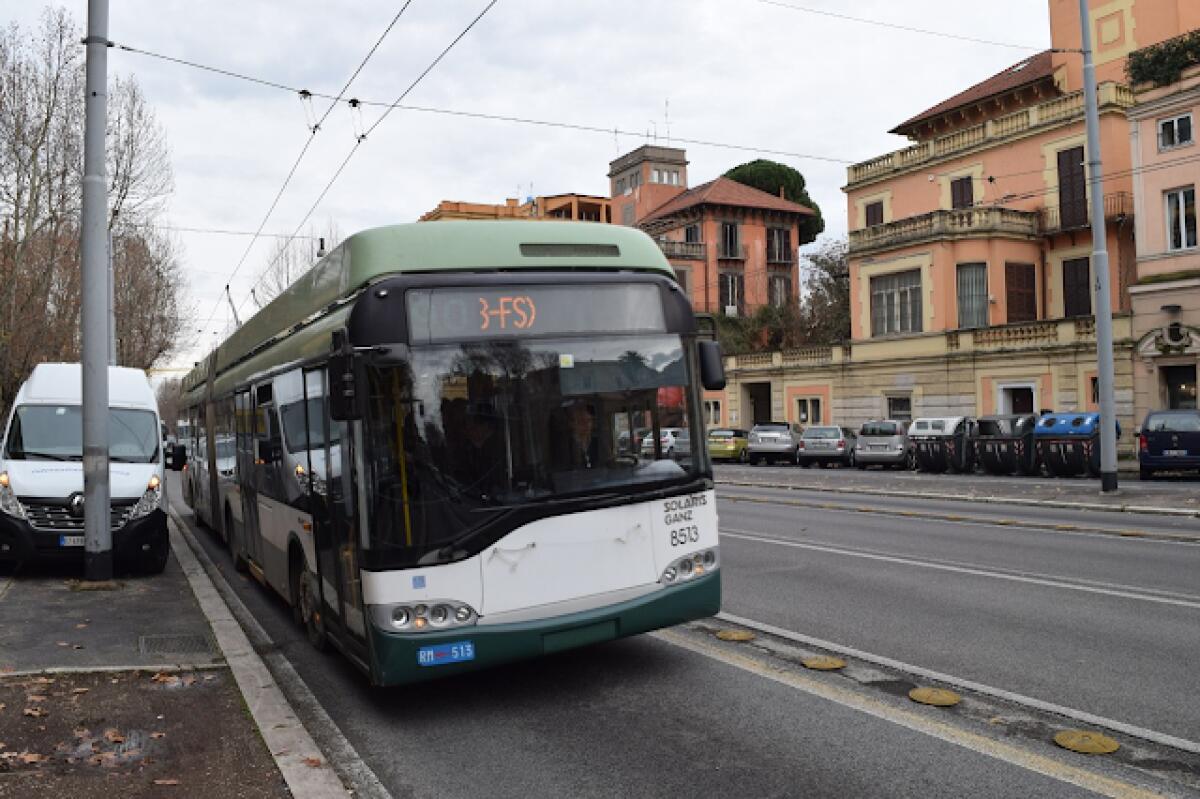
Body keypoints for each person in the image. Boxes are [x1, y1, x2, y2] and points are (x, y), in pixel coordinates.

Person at [563, 401, 600, 469]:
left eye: (589, 420)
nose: (587, 425)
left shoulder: (598, 441)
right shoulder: (565, 444)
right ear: (572, 424)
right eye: (581, 421)